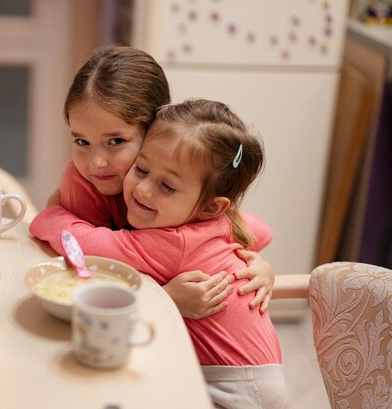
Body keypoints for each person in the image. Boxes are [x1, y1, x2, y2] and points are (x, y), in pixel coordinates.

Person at [31, 99, 288, 409]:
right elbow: (263, 231)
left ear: (211, 207)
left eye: (166, 186)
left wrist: (48, 216)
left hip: (233, 389)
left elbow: (85, 244)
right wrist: (259, 260)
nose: (143, 190)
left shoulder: (173, 243)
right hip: (257, 377)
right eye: (141, 169)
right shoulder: (216, 222)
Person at [51, 46, 274, 318]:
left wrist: (258, 265)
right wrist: (165, 298)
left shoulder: (176, 183)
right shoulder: (83, 187)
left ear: (154, 132)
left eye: (116, 142)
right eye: (82, 142)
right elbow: (82, 276)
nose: (96, 162)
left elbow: (250, 230)